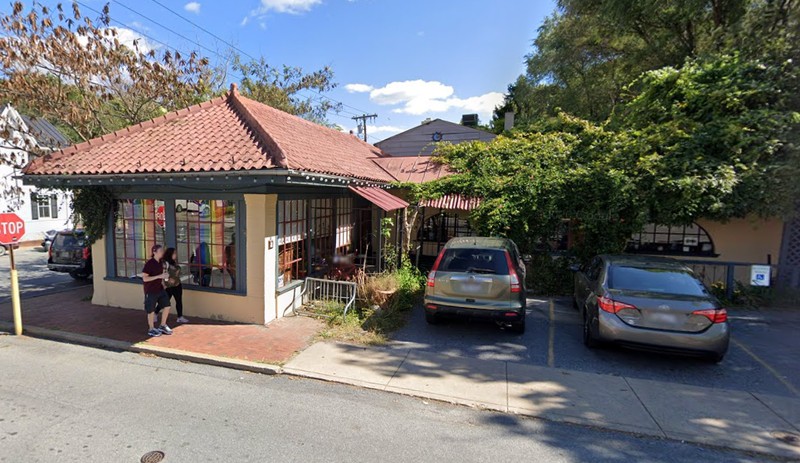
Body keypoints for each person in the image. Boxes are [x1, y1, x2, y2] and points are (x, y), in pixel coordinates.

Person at [141, 244, 173, 337]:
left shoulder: (161, 262)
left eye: (162, 251)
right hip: (150, 291)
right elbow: (145, 278)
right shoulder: (149, 263)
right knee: (150, 310)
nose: (162, 253)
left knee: (167, 306)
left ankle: (162, 325)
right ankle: (151, 329)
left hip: (160, 289)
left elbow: (162, 275)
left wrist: (164, 280)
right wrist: (159, 276)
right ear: (154, 252)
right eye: (160, 251)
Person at [163, 247, 188, 323]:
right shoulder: (166, 264)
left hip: (177, 284)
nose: (175, 255)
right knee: (165, 301)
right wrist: (166, 282)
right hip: (169, 286)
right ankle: (156, 313)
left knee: (179, 301)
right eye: (174, 253)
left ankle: (180, 316)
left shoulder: (174, 262)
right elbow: (164, 275)